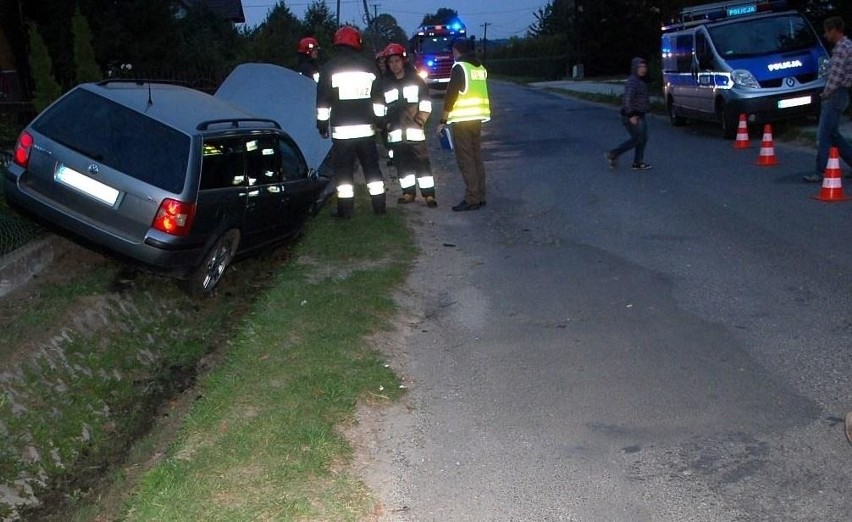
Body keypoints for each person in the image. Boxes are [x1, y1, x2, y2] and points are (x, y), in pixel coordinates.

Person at [316, 26, 386, 218]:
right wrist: (380, 121)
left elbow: (323, 103)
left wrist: (322, 126)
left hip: (342, 133)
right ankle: (379, 208)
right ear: (357, 43)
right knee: (372, 170)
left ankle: (345, 212)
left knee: (344, 175)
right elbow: (379, 99)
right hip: (367, 131)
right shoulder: (370, 67)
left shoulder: (329, 68)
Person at [437, 37, 491, 212]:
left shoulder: (460, 67)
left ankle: (472, 198)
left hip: (462, 121)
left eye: (453, 50)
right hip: (477, 119)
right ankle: (480, 196)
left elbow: (451, 96)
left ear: (456, 50)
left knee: (466, 160)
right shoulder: (479, 67)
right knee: (476, 159)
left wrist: (442, 121)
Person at [381, 43, 438, 208]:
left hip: (415, 131)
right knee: (403, 165)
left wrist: (420, 120)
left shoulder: (416, 80)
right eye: (391, 62)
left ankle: (429, 195)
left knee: (422, 164)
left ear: (403, 61)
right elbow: (379, 107)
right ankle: (408, 193)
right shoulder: (386, 83)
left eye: (397, 61)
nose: (394, 65)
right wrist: (385, 123)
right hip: (396, 132)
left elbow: (426, 102)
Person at [804, 16, 852, 183]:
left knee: (823, 135)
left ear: (834, 31)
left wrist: (825, 94)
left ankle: (820, 171)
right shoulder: (849, 45)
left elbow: (835, 77)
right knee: (833, 133)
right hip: (843, 93)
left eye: (827, 31)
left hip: (835, 94)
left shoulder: (840, 49)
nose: (825, 35)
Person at [606, 57, 652, 170]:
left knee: (642, 138)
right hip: (633, 115)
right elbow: (627, 99)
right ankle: (614, 153)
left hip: (640, 114)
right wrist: (631, 114)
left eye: (644, 67)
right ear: (635, 68)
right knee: (638, 138)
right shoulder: (632, 82)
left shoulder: (640, 81)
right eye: (640, 67)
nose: (643, 69)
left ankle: (638, 162)